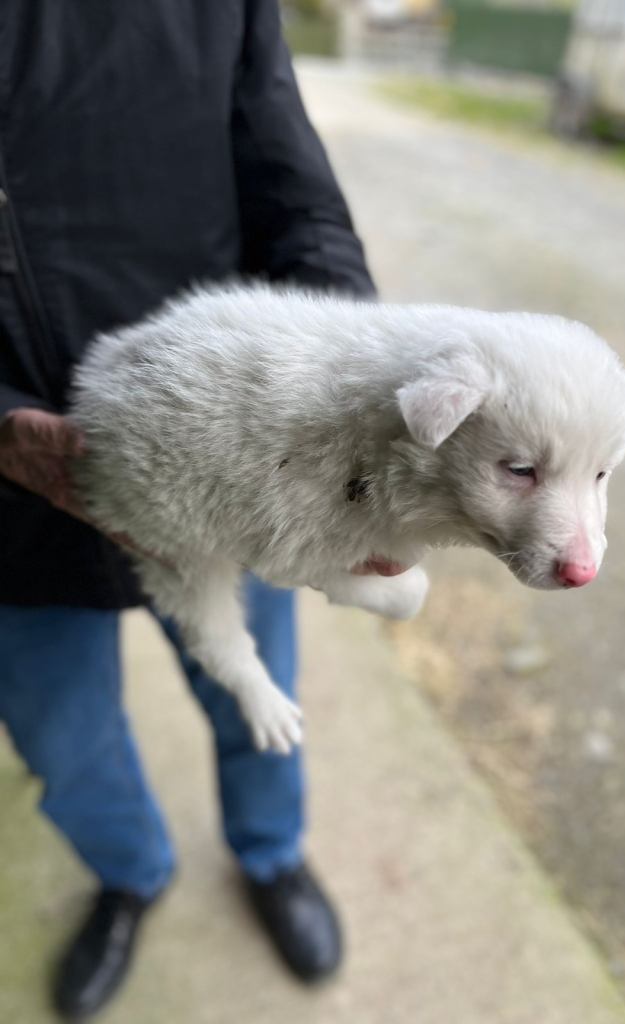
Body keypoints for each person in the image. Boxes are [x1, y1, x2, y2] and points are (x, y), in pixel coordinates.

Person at [0, 2, 376, 1018]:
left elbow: (297, 198)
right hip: (7, 511)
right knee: (62, 738)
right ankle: (131, 872)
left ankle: (271, 853)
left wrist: (357, 397)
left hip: (222, 465)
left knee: (256, 689)